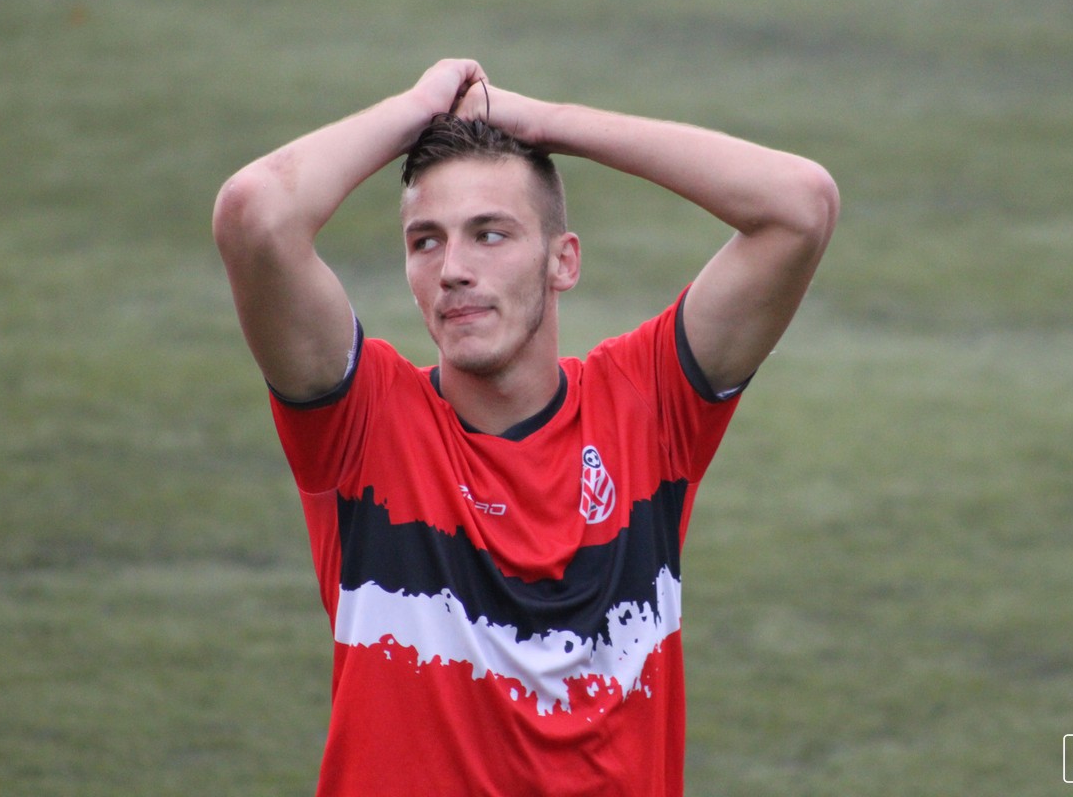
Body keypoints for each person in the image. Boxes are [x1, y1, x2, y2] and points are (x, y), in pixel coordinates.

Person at [212, 58, 838, 796]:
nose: (453, 269)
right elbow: (255, 213)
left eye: (490, 234)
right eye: (425, 241)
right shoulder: (364, 427)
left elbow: (801, 206)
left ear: (562, 261)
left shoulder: (647, 407)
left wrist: (546, 122)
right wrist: (415, 110)